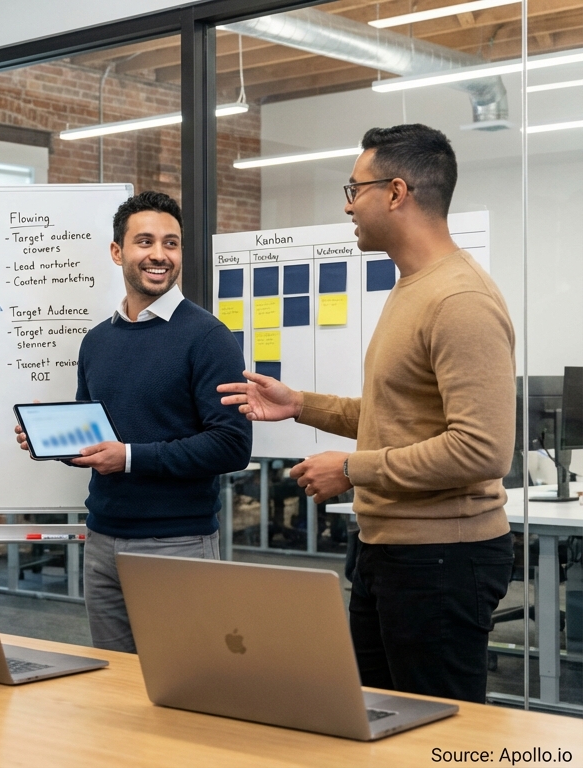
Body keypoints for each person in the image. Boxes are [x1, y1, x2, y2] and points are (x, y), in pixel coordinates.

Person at [218, 124, 515, 704]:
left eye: (355, 189)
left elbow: (482, 449)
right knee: (381, 721)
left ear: (396, 192)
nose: (348, 205)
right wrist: (301, 405)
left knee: (436, 733)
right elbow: (396, 416)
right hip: (390, 551)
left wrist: (353, 470)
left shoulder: (460, 300)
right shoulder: (413, 287)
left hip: (441, 559)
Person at [16, 191, 251, 652]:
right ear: (117, 251)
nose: (159, 254)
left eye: (171, 243)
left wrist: (128, 457)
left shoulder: (208, 337)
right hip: (102, 541)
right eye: (145, 242)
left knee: (182, 678)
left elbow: (232, 444)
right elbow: (97, 441)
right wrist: (53, 438)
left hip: (176, 544)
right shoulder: (96, 341)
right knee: (114, 685)